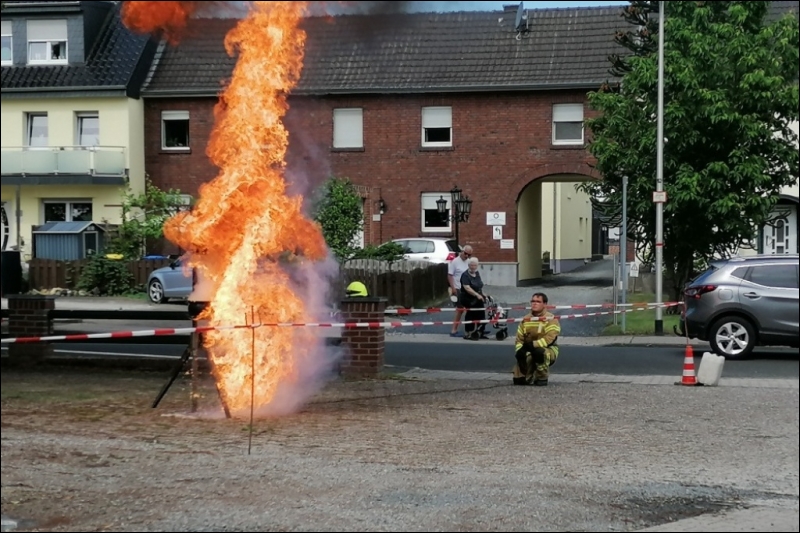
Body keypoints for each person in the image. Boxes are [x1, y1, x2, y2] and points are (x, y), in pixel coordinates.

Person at [512, 292, 560, 386]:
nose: (534, 303)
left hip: (548, 349)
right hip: (528, 349)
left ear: (545, 304)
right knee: (518, 381)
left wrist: (533, 345)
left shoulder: (551, 319)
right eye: (533, 301)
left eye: (538, 301)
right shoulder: (526, 319)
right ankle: (527, 375)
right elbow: (519, 339)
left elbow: (549, 339)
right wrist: (520, 351)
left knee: (539, 353)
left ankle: (541, 377)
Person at [459, 256, 488, 340]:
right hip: (468, 298)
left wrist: (483, 294)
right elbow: (467, 288)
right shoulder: (465, 275)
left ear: (477, 265)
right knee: (471, 314)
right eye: (471, 265)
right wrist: (476, 295)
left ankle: (480, 331)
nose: (473, 267)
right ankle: (469, 333)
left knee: (481, 313)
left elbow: (479, 286)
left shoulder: (477, 273)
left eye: (475, 265)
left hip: (477, 298)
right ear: (468, 265)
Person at [447, 244, 473, 337]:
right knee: (460, 309)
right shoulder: (455, 262)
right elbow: (450, 275)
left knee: (470, 308)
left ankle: (471, 329)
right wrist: (453, 288)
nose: (467, 256)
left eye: (469, 255)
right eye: (466, 254)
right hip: (458, 288)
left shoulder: (469, 262)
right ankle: (453, 330)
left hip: (466, 288)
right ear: (462, 251)